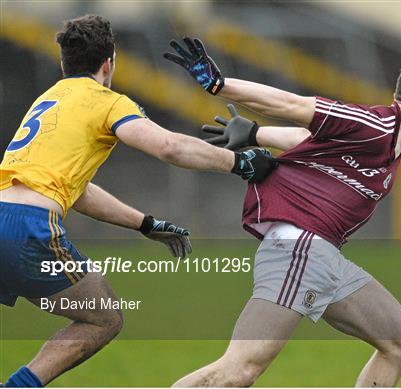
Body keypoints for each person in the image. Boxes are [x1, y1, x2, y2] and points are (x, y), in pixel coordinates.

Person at [164, 37, 401, 387]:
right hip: (300, 247)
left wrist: (258, 134)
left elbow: (312, 141)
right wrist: (219, 84)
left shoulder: (387, 142)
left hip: (321, 256)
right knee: (240, 369)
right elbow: (294, 104)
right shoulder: (375, 125)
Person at [0, 17, 276, 388]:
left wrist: (144, 223)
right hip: (27, 228)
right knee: (103, 318)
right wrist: (239, 162)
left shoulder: (48, 100)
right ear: (109, 63)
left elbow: (74, 190)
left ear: (65, 63)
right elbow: (168, 145)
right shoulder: (106, 101)